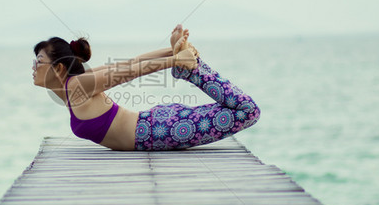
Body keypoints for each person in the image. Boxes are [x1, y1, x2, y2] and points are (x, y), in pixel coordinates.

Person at [32, 25, 260, 151]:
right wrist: (171, 53)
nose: (33, 66)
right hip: (157, 126)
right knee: (244, 111)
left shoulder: (76, 86)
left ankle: (191, 68)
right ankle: (188, 66)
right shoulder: (71, 86)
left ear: (59, 68)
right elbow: (132, 62)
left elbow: (131, 71)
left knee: (248, 111)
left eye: (39, 61)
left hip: (159, 131)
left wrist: (175, 59)